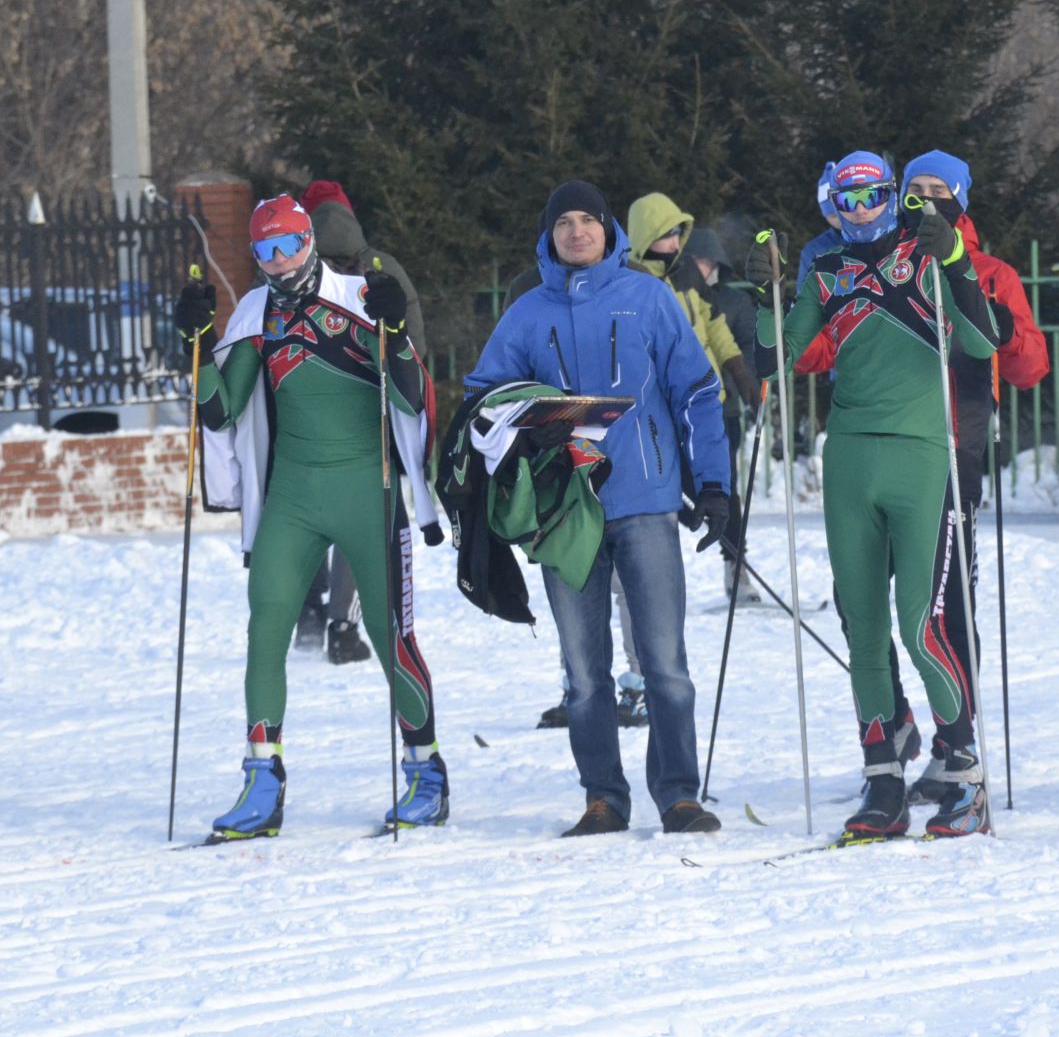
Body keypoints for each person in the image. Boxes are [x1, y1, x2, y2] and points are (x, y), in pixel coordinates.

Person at [464, 180, 731, 836]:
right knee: (585, 673)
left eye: (589, 220)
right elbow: (484, 398)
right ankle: (603, 798)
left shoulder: (648, 298)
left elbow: (697, 392)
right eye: (565, 223)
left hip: (644, 498)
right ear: (549, 235)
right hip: (564, 512)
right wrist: (528, 423)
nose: (577, 231)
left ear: (609, 230)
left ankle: (678, 796)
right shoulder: (527, 312)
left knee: (664, 663)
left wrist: (715, 483)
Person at [177, 196, 447, 841]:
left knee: (390, 633)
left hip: (365, 485)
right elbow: (220, 411)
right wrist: (195, 341)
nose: (279, 261)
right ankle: (262, 780)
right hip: (293, 497)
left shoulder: (360, 295)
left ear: (309, 241)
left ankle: (426, 771)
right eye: (265, 251)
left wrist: (398, 333)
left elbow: (411, 393)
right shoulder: (254, 313)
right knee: (266, 621)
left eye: (290, 245)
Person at [752, 151, 1004, 840]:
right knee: (863, 623)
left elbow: (983, 342)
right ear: (830, 204)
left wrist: (952, 258)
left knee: (921, 624)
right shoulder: (828, 270)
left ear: (893, 198)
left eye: (873, 196)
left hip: (923, 452)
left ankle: (962, 772)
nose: (860, 210)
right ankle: (883, 780)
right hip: (852, 457)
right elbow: (777, 357)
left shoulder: (927, 258)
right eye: (846, 198)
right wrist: (765, 294)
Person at [896, 150, 1049, 804]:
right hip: (887, 451)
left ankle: (955, 744)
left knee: (949, 608)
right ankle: (890, 730)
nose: (927, 200)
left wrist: (1001, 323)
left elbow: (1030, 369)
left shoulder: (991, 273)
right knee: (875, 606)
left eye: (940, 190)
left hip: (958, 453)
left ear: (962, 198)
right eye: (914, 190)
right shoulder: (885, 266)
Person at [292, 178, 434, 668]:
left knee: (304, 515)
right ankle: (344, 627)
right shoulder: (381, 267)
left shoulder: (288, 268)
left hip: (302, 422)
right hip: (367, 417)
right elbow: (411, 342)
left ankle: (307, 616)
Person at [684, 225, 765, 606]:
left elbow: (747, 346)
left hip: (724, 407)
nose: (703, 268)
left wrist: (744, 383)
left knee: (725, 489)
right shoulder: (674, 296)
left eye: (708, 261)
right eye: (696, 260)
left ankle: (735, 564)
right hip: (679, 406)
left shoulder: (733, 303)